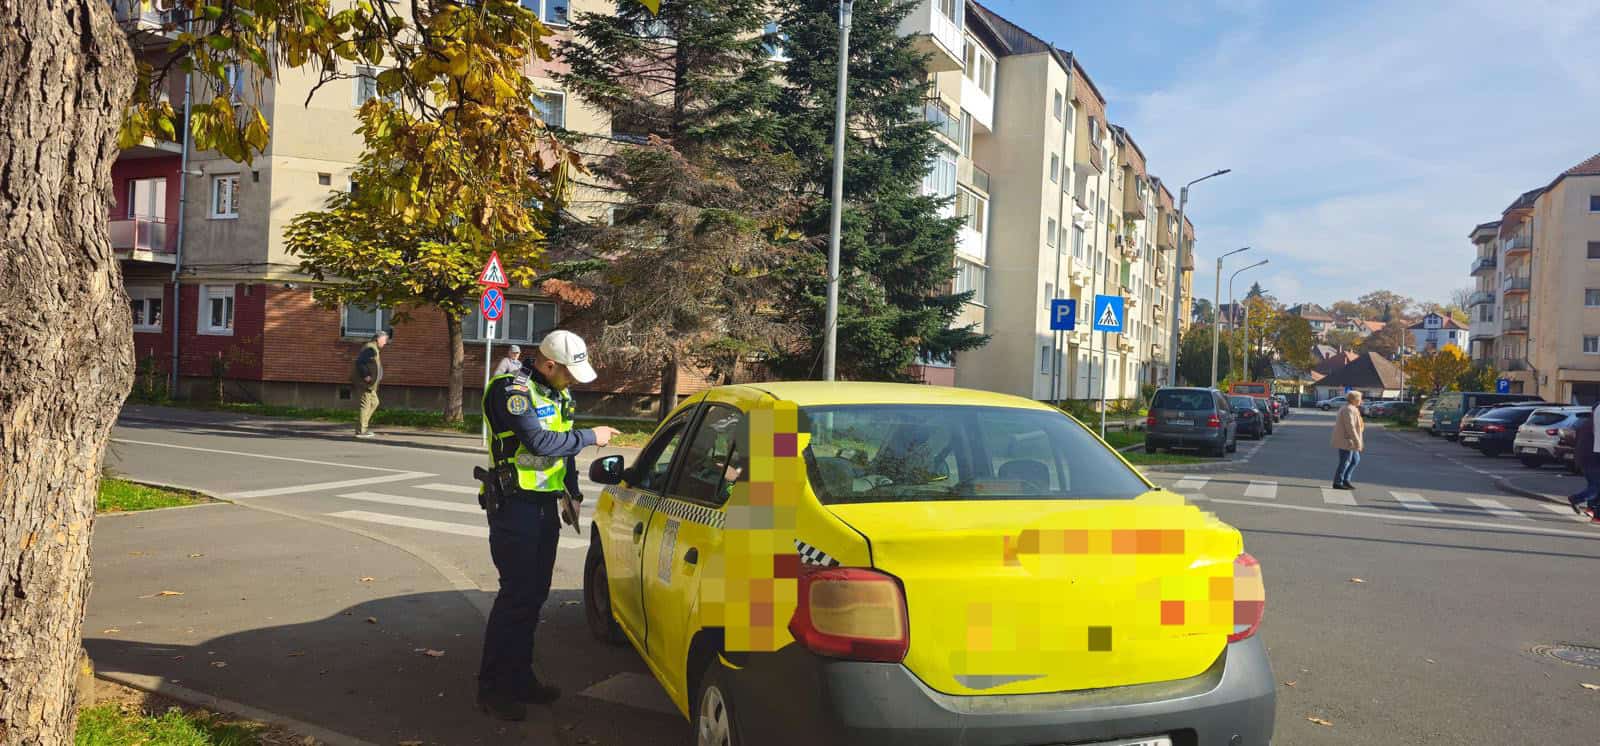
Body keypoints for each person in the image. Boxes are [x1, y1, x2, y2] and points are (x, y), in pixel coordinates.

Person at [476, 330, 620, 722]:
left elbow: (562, 453)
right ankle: (492, 688)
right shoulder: (512, 390)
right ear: (549, 363)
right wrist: (593, 437)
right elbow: (539, 441)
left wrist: (571, 492)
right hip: (514, 508)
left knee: (534, 596)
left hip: (543, 507)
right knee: (516, 597)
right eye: (569, 373)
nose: (573, 380)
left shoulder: (557, 393)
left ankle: (520, 679)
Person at [351, 328, 389, 438]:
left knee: (374, 402)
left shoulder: (374, 348)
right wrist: (366, 375)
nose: (385, 342)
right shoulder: (370, 348)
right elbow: (360, 362)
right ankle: (361, 430)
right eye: (384, 340)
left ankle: (363, 427)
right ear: (378, 339)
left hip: (371, 384)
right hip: (365, 383)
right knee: (366, 404)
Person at [1331, 390, 1365, 490]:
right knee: (1345, 461)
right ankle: (1338, 482)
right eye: (1359, 399)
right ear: (1354, 399)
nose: (1361, 401)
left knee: (1355, 460)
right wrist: (1357, 441)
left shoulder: (1353, 408)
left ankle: (1345, 480)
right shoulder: (1348, 409)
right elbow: (1350, 427)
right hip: (1347, 440)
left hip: (1351, 440)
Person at [1573, 407, 1600, 523]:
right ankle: (1576, 499)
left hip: (1585, 459)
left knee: (1593, 485)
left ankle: (1591, 509)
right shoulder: (1592, 426)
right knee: (1596, 487)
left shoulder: (1585, 424)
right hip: (1592, 458)